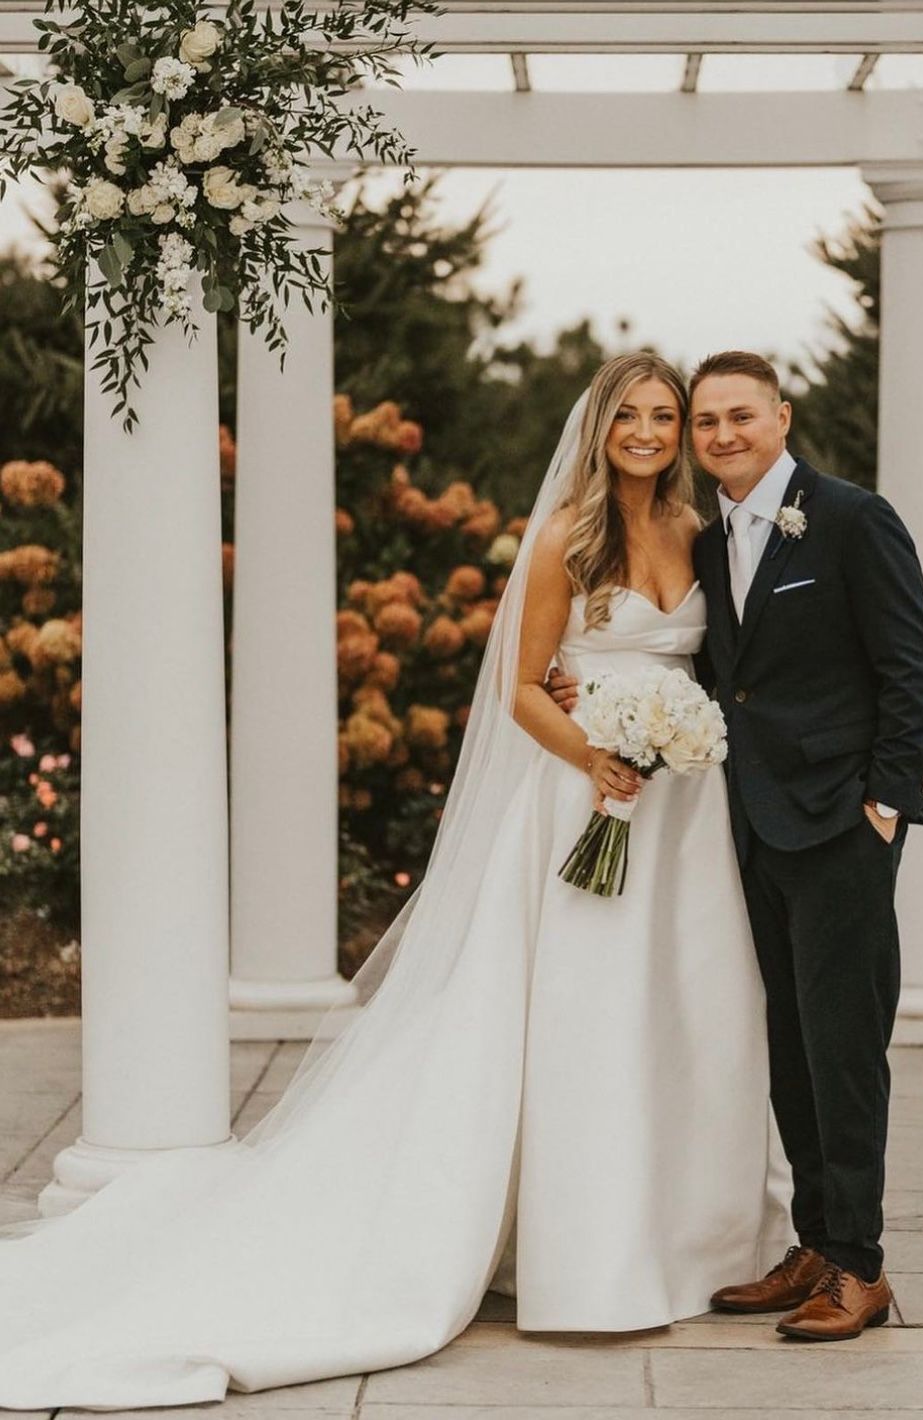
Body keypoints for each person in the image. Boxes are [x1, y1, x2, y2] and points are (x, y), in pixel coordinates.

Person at [0, 352, 790, 1411]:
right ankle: (589, 1258)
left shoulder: (699, 535)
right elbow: (519, 689)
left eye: (664, 416)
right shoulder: (569, 534)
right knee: (586, 1016)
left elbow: (710, 666)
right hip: (584, 801)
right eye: (630, 416)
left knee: (696, 1013)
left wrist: (675, 736)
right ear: (599, 427)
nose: (647, 432)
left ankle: (695, 1242)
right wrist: (596, 754)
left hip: (683, 816)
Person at [552, 350, 923, 1342]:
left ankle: (859, 1265)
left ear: (780, 414)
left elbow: (914, 665)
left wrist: (884, 806)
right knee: (790, 1046)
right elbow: (713, 672)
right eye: (706, 422)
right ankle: (813, 1240)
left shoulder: (851, 517)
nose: (721, 434)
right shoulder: (711, 529)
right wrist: (584, 690)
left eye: (740, 415)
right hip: (747, 823)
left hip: (841, 824)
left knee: (844, 1046)